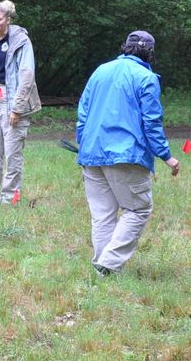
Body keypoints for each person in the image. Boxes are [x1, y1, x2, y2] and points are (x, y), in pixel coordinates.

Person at [77, 30, 180, 276]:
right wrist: (166, 156)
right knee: (138, 210)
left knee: (103, 215)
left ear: (125, 47)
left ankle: (102, 268)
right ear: (150, 54)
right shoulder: (146, 77)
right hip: (127, 156)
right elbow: (152, 122)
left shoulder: (100, 71)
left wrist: (84, 145)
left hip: (92, 154)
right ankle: (108, 265)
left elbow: (82, 114)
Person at [0, 0, 41, 205]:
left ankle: (9, 197)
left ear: (8, 20)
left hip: (11, 95)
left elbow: (27, 75)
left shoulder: (21, 41)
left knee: (12, 150)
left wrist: (17, 108)